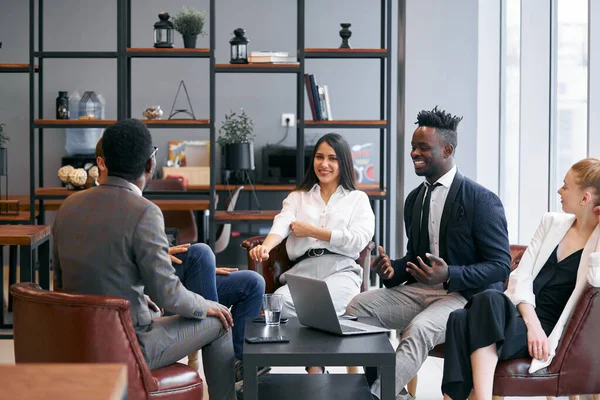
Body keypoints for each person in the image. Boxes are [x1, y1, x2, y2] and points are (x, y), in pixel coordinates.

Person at [53, 119, 237, 400]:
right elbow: (169, 295)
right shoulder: (144, 211)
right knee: (220, 321)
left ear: (103, 162)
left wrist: (139, 304)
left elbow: (62, 281)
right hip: (128, 343)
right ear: (150, 165)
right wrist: (207, 304)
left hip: (80, 336)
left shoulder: (68, 206)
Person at [345, 106, 512, 400]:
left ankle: (374, 396)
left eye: (423, 148)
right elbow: (415, 257)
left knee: (419, 329)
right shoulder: (415, 199)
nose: (414, 153)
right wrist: (392, 269)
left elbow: (501, 266)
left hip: (465, 297)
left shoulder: (481, 200)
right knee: (358, 307)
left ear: (447, 149)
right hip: (421, 290)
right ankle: (392, 395)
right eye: (413, 147)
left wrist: (450, 273)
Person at [95, 137, 267, 380]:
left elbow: (125, 255)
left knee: (249, 280)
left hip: (157, 275)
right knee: (215, 311)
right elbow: (120, 270)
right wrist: (205, 305)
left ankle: (240, 364)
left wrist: (164, 255)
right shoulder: (107, 205)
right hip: (147, 296)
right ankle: (230, 374)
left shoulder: (114, 204)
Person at [441, 158, 600, 400]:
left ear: (585, 198)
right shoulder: (551, 223)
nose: (559, 190)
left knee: (464, 317)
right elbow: (521, 276)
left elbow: (596, 280)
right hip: (521, 319)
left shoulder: (596, 244)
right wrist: (531, 323)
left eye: (566, 186)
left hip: (549, 332)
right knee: (476, 308)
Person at [249, 133, 375, 374]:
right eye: (319, 157)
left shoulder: (357, 199)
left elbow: (359, 240)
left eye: (332, 159)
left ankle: (315, 367)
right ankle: (316, 365)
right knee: (279, 305)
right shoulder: (298, 197)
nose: (324, 164)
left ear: (343, 163)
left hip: (341, 269)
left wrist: (314, 231)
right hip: (302, 272)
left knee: (332, 305)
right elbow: (282, 223)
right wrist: (266, 246)